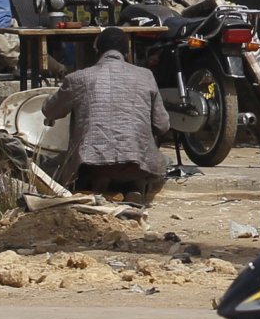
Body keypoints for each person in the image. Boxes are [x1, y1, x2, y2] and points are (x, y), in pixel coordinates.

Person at [46, 27, 170, 203]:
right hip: (136, 165)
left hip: (90, 166)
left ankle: (98, 186)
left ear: (97, 50)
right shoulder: (146, 76)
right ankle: (133, 188)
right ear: (127, 53)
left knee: (55, 163)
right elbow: (163, 125)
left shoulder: (78, 78)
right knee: (164, 161)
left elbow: (50, 111)